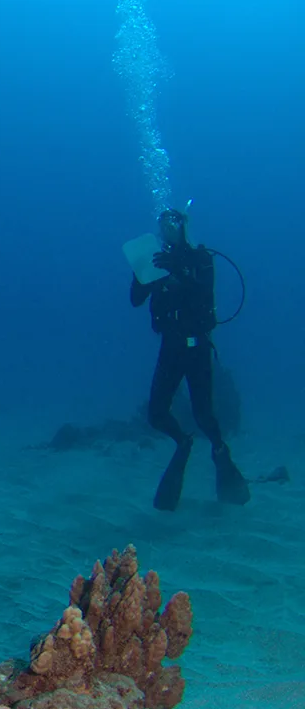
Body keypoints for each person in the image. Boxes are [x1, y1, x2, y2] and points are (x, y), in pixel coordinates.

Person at [130, 208, 249, 510]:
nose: (168, 231)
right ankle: (183, 443)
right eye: (163, 226)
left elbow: (204, 294)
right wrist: (141, 271)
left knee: (204, 414)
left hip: (196, 347)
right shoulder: (156, 260)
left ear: (184, 227)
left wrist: (179, 270)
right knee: (156, 413)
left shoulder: (201, 257)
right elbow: (135, 300)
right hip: (170, 347)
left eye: (174, 225)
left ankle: (220, 452)